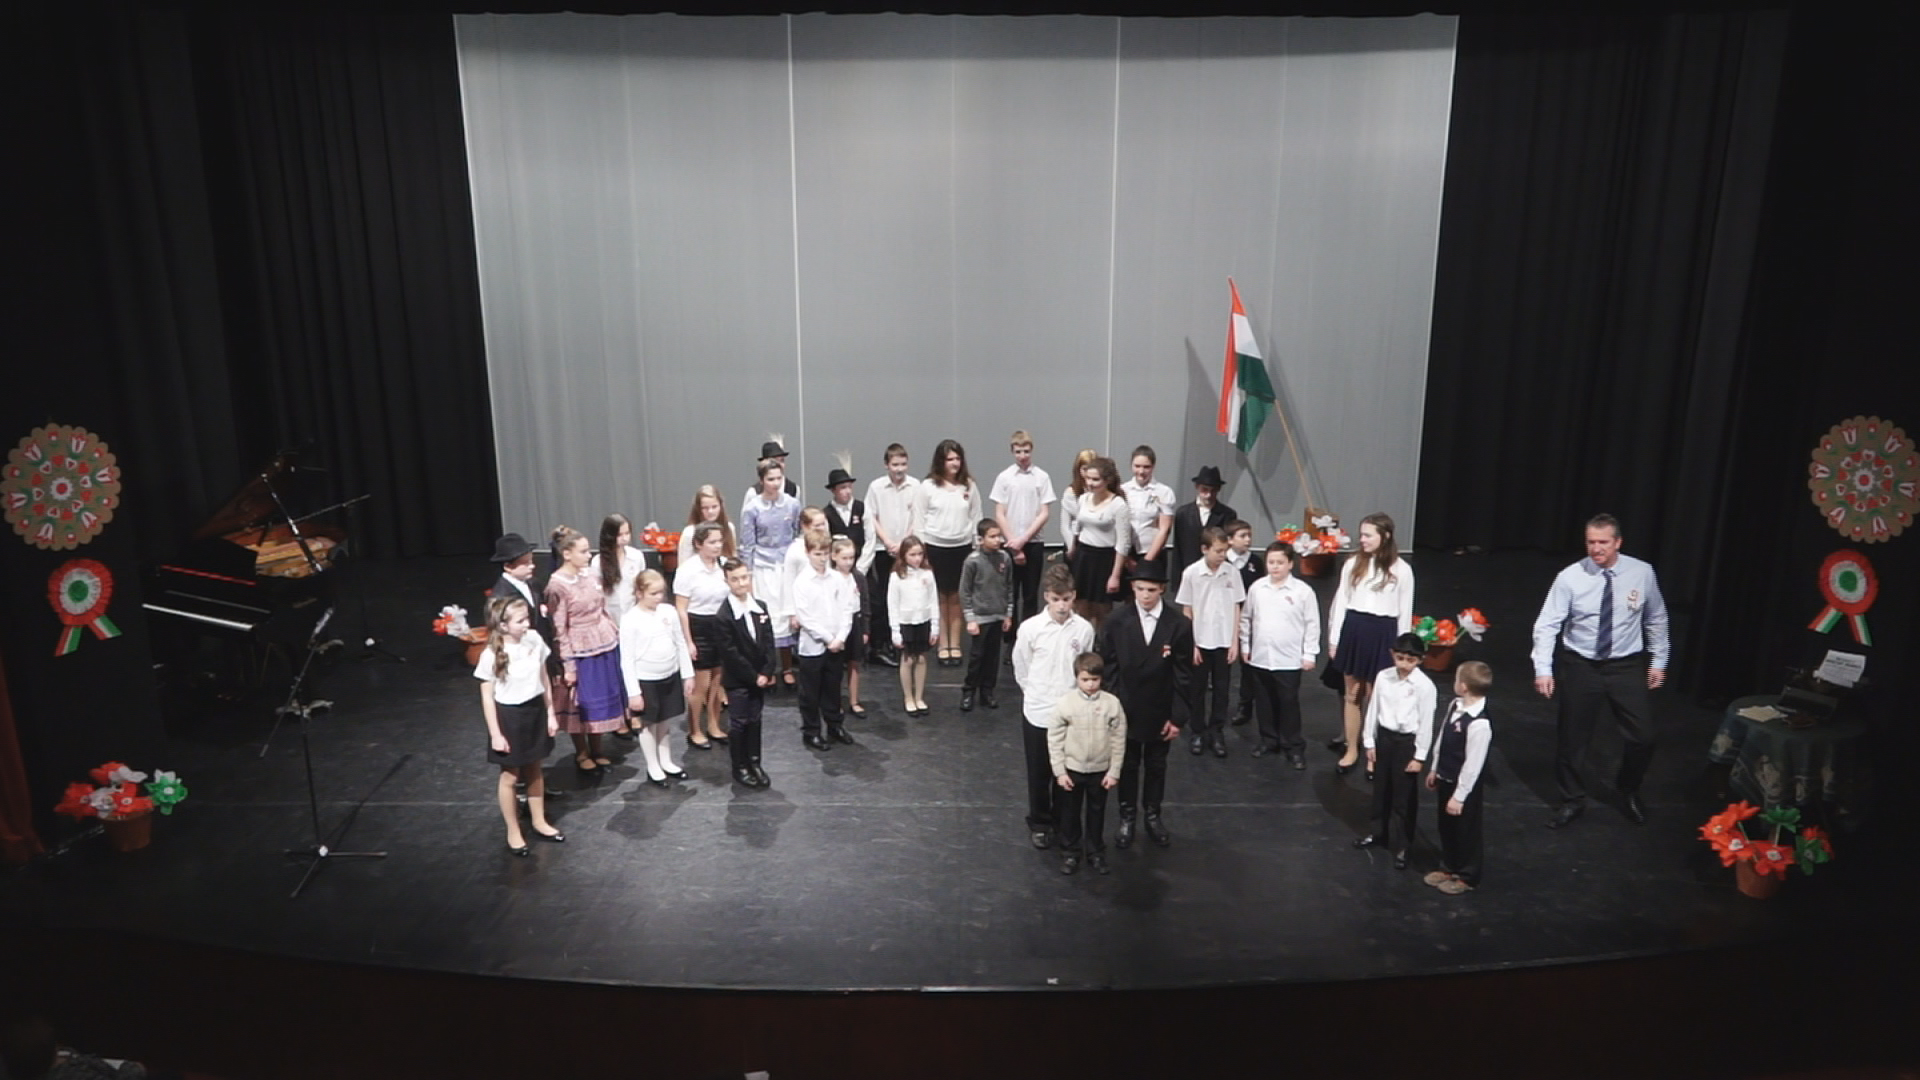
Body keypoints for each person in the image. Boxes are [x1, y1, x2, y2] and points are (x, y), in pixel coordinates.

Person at [1532, 513, 1669, 828]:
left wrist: (1659, 660)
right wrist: (1543, 669)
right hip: (1582, 665)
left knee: (1644, 736)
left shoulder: (1641, 573)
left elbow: (1656, 618)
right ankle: (1572, 799)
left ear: (1618, 542)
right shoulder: (1570, 577)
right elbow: (1547, 624)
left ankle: (1628, 788)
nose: (1596, 549)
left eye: (1603, 542)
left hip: (1625, 665)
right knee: (1572, 739)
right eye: (1591, 542)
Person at [1098, 563, 1193, 849]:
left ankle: (1153, 815)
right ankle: (1127, 817)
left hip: (1160, 710)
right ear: (1133, 588)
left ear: (1162, 589)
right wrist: (1113, 707)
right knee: (1126, 765)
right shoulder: (1116, 621)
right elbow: (1109, 667)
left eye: (1151, 590)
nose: (1145, 595)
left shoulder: (1178, 624)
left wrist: (1177, 717)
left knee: (1156, 766)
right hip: (1125, 708)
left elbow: (1184, 674)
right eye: (1140, 589)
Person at [1012, 564, 1096, 850]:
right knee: (1039, 772)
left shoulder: (1083, 629)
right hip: (1038, 711)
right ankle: (1040, 822)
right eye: (1056, 599)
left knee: (1067, 771)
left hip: (1070, 713)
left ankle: (1063, 821)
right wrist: (1033, 692)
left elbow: (1085, 667)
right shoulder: (1031, 628)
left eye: (1067, 599)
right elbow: (1021, 665)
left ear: (1074, 596)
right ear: (1046, 596)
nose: (1062, 605)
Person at [1327, 512, 1415, 779]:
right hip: (1355, 630)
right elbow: (1341, 602)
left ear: (1384, 536)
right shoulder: (1353, 563)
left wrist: (1403, 650)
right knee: (1352, 694)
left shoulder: (1401, 570)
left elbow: (1405, 611)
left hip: (1383, 634)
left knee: (1376, 697)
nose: (1362, 539)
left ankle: (1372, 754)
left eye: (1368, 535)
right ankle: (1351, 748)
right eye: (1361, 534)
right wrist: (1334, 639)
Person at [476, 595, 564, 856]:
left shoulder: (534, 639)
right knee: (511, 776)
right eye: (520, 621)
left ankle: (539, 820)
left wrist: (550, 713)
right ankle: (513, 829)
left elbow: (544, 678)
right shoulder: (492, 654)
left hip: (534, 710)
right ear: (503, 625)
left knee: (535, 767)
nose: (527, 624)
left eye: (527, 619)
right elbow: (487, 697)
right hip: (509, 717)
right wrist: (496, 734)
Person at [1351, 632, 1437, 870]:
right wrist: (1369, 741)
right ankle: (1378, 833)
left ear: (1420, 660)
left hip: (1406, 742)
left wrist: (1419, 756)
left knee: (1403, 797)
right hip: (1385, 738)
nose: (1404, 664)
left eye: (1411, 660)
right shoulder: (1384, 677)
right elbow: (1374, 709)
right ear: (1393, 654)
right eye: (1400, 658)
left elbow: (1426, 722)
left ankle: (1403, 845)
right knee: (1381, 790)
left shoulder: (1424, 686)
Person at [545, 525, 625, 775]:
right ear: (567, 554)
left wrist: (613, 632)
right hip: (579, 648)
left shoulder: (590, 575)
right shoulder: (557, 585)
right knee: (580, 703)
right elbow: (559, 628)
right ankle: (582, 752)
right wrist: (567, 664)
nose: (589, 555)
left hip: (602, 641)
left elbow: (602, 607)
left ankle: (597, 749)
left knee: (599, 701)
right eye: (583, 551)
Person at [1240, 541, 1320, 768]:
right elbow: (1246, 618)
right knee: (1264, 702)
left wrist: (1310, 653)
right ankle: (1269, 740)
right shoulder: (1257, 588)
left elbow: (1312, 623)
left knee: (1288, 703)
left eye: (1280, 562)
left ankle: (1293, 746)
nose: (1275, 567)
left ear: (1290, 564)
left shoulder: (1302, 591)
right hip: (1261, 657)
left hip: (1289, 659)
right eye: (1271, 562)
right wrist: (1246, 646)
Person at [1049, 652, 1127, 875]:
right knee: (1070, 813)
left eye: (1095, 679)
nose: (1090, 684)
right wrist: (1059, 771)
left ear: (1101, 678)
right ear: (1076, 678)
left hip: (1100, 771)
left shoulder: (1112, 704)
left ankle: (1095, 852)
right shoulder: (1066, 703)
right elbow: (1054, 739)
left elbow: (1118, 739)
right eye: (1085, 679)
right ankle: (1070, 852)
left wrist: (1114, 771)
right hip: (1072, 770)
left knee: (1097, 812)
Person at [1176, 524, 1247, 758]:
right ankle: (1197, 731)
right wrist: (1192, 644)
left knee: (1222, 690)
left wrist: (1234, 641)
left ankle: (1217, 731)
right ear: (1204, 549)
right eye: (1218, 551)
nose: (1222, 555)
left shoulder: (1232, 572)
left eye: (1224, 550)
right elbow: (1187, 610)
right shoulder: (1192, 573)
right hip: (1201, 640)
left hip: (1223, 640)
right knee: (1197, 690)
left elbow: (1236, 606)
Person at [913, 438, 984, 666]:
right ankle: (943, 644)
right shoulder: (928, 487)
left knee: (957, 598)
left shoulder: (969, 486)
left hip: (962, 548)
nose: (954, 463)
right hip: (935, 548)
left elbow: (976, 517)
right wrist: (921, 551)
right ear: (940, 462)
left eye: (957, 458)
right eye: (949, 459)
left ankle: (956, 644)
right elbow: (919, 520)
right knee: (940, 598)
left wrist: (977, 547)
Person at [619, 569, 693, 786]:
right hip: (646, 679)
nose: (659, 597)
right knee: (648, 724)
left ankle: (666, 760)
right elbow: (627, 659)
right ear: (639, 593)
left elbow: (680, 643)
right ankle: (653, 765)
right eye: (653, 593)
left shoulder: (668, 612)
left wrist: (687, 674)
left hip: (669, 675)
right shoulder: (630, 619)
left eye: (661, 592)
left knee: (664, 720)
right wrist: (634, 693)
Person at [1426, 661, 1494, 894]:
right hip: (1446, 776)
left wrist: (1460, 796)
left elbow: (1473, 765)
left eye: (1456, 679)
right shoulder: (1455, 705)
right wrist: (1435, 768)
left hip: (1464, 787)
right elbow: (1442, 738)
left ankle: (1467, 875)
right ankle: (1450, 865)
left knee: (1465, 830)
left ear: (1463, 686)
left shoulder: (1479, 723)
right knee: (1446, 826)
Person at [714, 557, 777, 787]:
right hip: (739, 679)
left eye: (744, 577)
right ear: (727, 581)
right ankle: (740, 766)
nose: (741, 583)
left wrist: (767, 670)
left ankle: (755, 762)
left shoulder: (760, 607)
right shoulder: (724, 616)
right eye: (735, 579)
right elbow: (730, 654)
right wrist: (754, 676)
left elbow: (769, 641)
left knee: (755, 720)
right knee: (739, 722)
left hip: (760, 677)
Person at [739, 460, 802, 686]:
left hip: (786, 566)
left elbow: (798, 534)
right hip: (763, 567)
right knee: (767, 616)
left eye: (778, 478)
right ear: (762, 481)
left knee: (787, 614)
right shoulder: (752, 508)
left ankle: (787, 666)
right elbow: (748, 544)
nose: (775, 483)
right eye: (770, 479)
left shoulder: (792, 504)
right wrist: (747, 575)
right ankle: (768, 667)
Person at [793, 533, 856, 750]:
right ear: (808, 553)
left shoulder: (837, 579)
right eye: (817, 554)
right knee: (810, 692)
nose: (822, 558)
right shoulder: (802, 582)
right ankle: (811, 731)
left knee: (833, 688)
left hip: (836, 644)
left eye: (825, 554)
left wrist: (841, 637)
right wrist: (829, 638)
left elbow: (847, 608)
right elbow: (806, 617)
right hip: (813, 646)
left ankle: (834, 726)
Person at [990, 430, 1056, 639]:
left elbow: (1044, 513)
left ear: (1032, 450)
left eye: (1026, 451)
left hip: (1033, 542)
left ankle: (1028, 636)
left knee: (1030, 593)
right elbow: (999, 513)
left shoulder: (1041, 477)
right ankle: (1009, 639)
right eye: (1018, 451)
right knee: (1009, 593)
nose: (1022, 456)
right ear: (1012, 451)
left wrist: (1023, 539)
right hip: (1009, 543)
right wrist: (1013, 542)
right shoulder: (1005, 477)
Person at [674, 522, 733, 751]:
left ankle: (714, 725)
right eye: (712, 542)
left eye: (720, 541)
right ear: (699, 544)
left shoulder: (724, 565)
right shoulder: (687, 570)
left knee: (718, 681)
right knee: (701, 684)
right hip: (699, 626)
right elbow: (681, 609)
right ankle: (695, 729)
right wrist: (688, 641)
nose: (717, 546)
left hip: (720, 625)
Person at [861, 443, 919, 668]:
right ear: (886, 465)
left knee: (908, 594)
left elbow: (918, 516)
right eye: (895, 464)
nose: (899, 469)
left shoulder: (915, 486)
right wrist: (887, 541)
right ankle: (884, 642)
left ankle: (906, 639)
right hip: (884, 549)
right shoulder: (876, 487)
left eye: (903, 464)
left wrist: (904, 543)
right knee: (886, 595)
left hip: (908, 549)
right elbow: (871, 517)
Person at [590, 513, 645, 739]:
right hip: (610, 621)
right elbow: (597, 596)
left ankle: (635, 713)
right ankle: (620, 716)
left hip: (633, 619)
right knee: (616, 671)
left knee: (635, 667)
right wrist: (607, 624)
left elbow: (641, 587)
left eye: (627, 533)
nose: (624, 538)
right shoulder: (598, 562)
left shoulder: (636, 556)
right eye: (620, 534)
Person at [1066, 455, 1131, 628]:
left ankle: (1102, 643)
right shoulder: (1083, 499)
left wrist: (1115, 576)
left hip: (1104, 560)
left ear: (1107, 480)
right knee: (1080, 606)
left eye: (1095, 479)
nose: (1090, 483)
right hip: (1083, 557)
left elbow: (1123, 543)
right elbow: (1078, 527)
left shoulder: (1118, 505)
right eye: (1088, 478)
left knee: (1102, 611)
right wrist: (1073, 547)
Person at [959, 519, 1014, 712]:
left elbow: (1008, 587)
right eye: (992, 536)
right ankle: (968, 691)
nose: (997, 540)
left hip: (998, 615)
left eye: (999, 536)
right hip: (980, 617)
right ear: (981, 539)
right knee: (977, 657)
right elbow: (965, 591)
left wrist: (1008, 614)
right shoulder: (972, 561)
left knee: (993, 658)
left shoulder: (1005, 558)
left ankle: (987, 692)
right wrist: (970, 618)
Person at [888, 537, 938, 716]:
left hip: (923, 621)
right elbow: (892, 605)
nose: (917, 558)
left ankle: (919, 697)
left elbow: (933, 600)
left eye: (920, 554)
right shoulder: (897, 577)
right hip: (906, 622)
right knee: (908, 660)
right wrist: (895, 631)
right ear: (904, 555)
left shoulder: (927, 574)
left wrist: (935, 626)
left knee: (922, 659)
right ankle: (908, 697)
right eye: (912, 555)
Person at [1223, 520, 1262, 728]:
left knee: (1248, 666)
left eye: (1249, 535)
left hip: (1250, 619)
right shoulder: (1223, 561)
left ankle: (1245, 706)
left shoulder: (1255, 562)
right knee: (1223, 663)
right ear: (1229, 540)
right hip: (1224, 619)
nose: (1247, 540)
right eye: (1242, 536)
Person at [830, 530, 871, 717]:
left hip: (855, 622)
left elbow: (865, 603)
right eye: (844, 558)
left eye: (851, 558)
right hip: (836, 625)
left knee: (854, 663)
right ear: (834, 557)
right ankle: (836, 702)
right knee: (836, 666)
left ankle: (854, 701)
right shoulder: (830, 578)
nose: (848, 562)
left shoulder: (858, 577)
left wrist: (865, 630)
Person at [1120, 444, 1175, 581]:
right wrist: (1126, 558)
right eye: (1137, 466)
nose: (1141, 471)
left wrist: (1147, 561)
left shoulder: (1164, 492)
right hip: (1126, 552)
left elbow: (1165, 529)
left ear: (1153, 467)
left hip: (1152, 552)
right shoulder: (1122, 490)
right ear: (1131, 466)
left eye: (1146, 467)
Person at [1171, 465, 1237, 575]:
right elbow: (1178, 549)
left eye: (1213, 491)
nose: (1208, 495)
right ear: (1197, 487)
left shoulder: (1227, 514)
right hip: (1189, 571)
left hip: (1216, 571)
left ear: (1219, 490)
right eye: (1204, 490)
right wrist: (1177, 579)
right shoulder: (1183, 513)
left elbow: (1228, 547)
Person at [741, 435, 800, 515]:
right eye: (774, 461)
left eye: (782, 460)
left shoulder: (794, 489)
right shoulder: (754, 492)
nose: (779, 465)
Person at [677, 484, 737, 563]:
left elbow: (733, 556)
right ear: (698, 509)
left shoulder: (729, 528)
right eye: (705, 508)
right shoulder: (690, 533)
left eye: (714, 507)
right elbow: (683, 563)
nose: (710, 511)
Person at [1057, 447, 1100, 555]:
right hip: (1076, 544)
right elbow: (1065, 526)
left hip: (1098, 543)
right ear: (1078, 470)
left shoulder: (1102, 491)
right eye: (1085, 469)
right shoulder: (1071, 492)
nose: (1088, 473)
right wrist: (1072, 547)